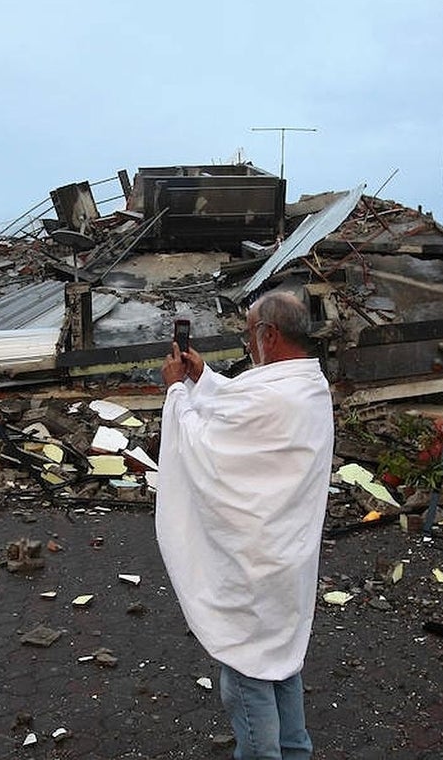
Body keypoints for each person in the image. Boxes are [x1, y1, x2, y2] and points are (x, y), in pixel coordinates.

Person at [156, 291, 335, 760]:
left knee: (248, 667)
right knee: (282, 663)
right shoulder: (308, 386)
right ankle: (295, 752)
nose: (247, 342)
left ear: (269, 336)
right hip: (288, 560)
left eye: (249, 331)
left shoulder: (276, 394)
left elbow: (204, 450)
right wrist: (202, 377)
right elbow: (240, 399)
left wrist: (177, 390)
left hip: (254, 564)